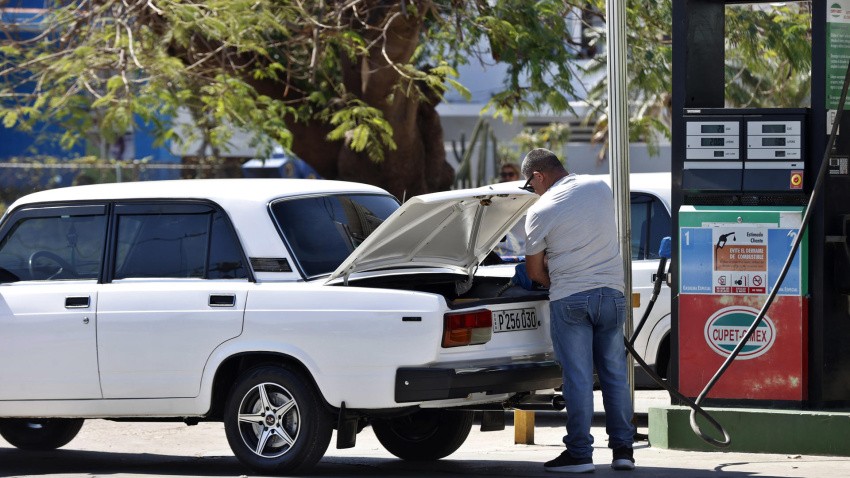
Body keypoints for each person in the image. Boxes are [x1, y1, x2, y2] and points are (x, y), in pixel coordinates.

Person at [520, 148, 635, 473]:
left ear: (539, 176)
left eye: (530, 184)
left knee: (579, 379)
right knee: (615, 375)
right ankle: (623, 452)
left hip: (571, 299)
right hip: (612, 295)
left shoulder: (540, 209)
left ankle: (580, 455)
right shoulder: (599, 186)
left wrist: (556, 278)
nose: (532, 191)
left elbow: (533, 272)